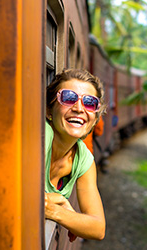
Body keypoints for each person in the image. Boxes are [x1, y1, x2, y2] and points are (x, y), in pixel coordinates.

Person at [45, 69, 106, 242]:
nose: (79, 108)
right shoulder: (41, 137)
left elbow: (98, 228)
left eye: (89, 102)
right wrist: (66, 214)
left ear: (94, 119)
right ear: (49, 110)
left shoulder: (83, 159)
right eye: (68, 98)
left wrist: (58, 210)